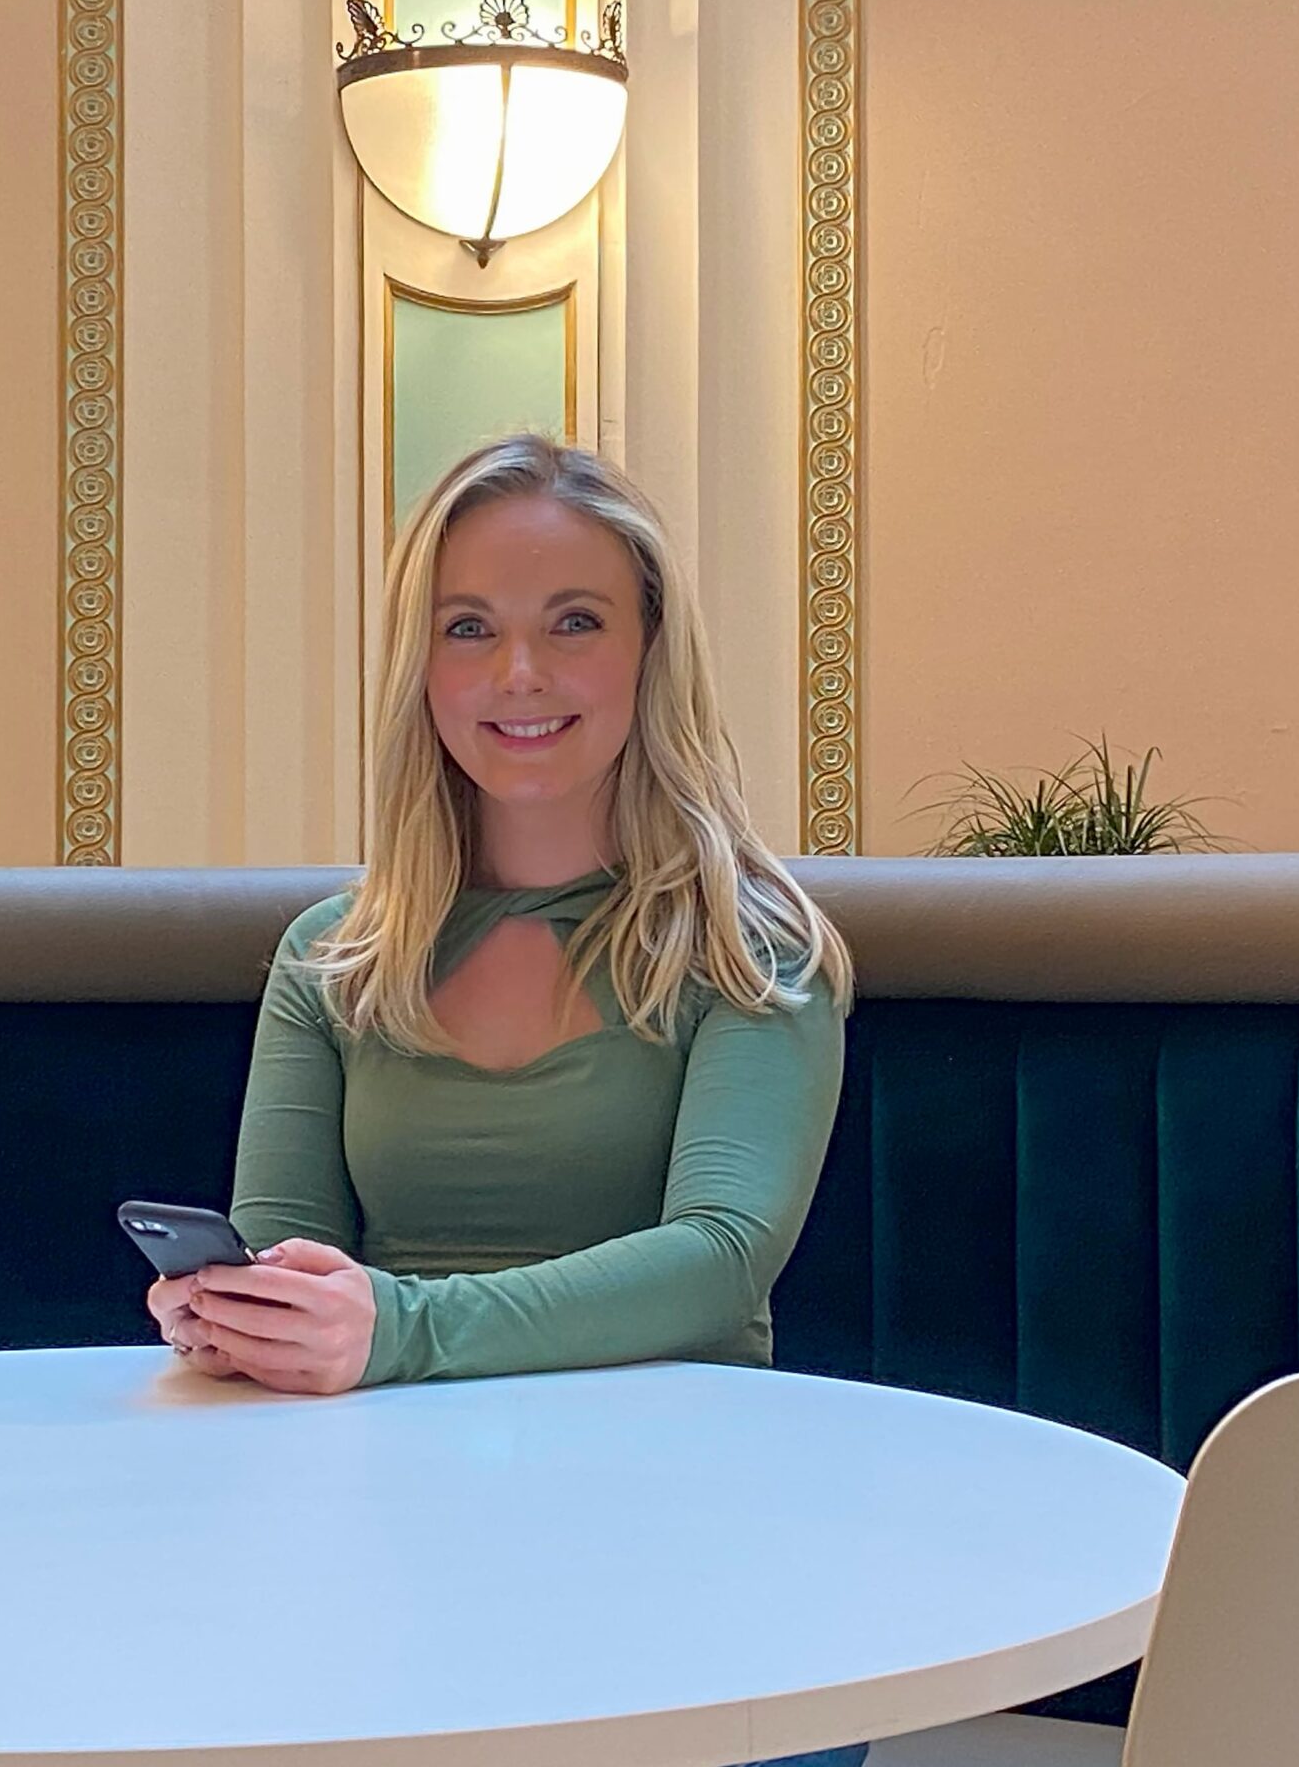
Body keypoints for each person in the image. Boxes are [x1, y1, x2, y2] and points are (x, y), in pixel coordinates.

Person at [145, 435, 864, 1767]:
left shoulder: (752, 951)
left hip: (683, 1529)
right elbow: (289, 1242)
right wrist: (245, 1313)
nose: (518, 675)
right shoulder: (331, 957)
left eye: (572, 624)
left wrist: (397, 1326)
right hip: (383, 1535)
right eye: (468, 628)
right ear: (420, 673)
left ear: (652, 654)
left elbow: (718, 1264)